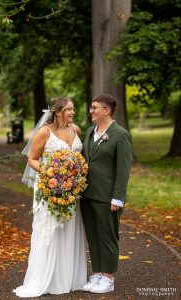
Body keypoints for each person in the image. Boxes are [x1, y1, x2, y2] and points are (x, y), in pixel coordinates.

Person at [13, 97, 87, 297]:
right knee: (51, 230)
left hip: (71, 190)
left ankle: (70, 278)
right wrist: (50, 173)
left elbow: (80, 159)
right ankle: (48, 279)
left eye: (73, 108)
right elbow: (32, 159)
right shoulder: (45, 131)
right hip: (49, 188)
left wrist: (74, 176)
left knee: (69, 228)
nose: (73, 112)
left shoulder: (76, 130)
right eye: (69, 109)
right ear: (58, 112)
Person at [81, 94, 132, 294]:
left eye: (94, 107)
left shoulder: (120, 135)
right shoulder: (88, 132)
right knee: (93, 235)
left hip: (107, 196)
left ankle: (109, 277)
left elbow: (123, 169)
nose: (91, 111)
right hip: (87, 194)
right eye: (91, 107)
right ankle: (98, 273)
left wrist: (118, 197)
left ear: (106, 110)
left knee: (107, 236)